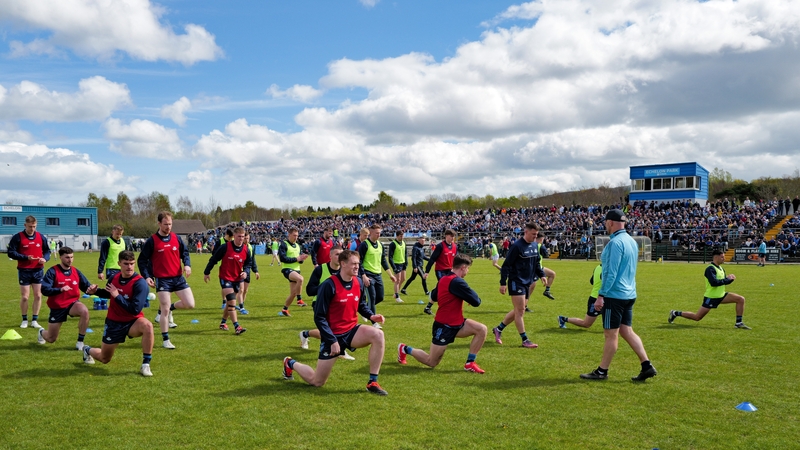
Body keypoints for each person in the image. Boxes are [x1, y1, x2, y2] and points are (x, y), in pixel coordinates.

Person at [282, 250, 388, 396]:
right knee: (317, 381)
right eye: (353, 264)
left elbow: (361, 304)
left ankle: (372, 382)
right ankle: (290, 363)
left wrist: (372, 316)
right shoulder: (329, 285)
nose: (357, 267)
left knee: (378, 335)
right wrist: (332, 340)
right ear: (343, 264)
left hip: (351, 331)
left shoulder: (358, 282)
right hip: (332, 335)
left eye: (358, 263)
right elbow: (319, 317)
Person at [580, 209, 656, 382]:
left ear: (610, 222)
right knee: (627, 331)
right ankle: (647, 366)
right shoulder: (631, 241)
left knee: (611, 335)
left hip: (614, 296)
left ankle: (601, 371)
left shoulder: (615, 244)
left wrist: (601, 296)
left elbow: (610, 273)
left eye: (606, 222)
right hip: (629, 293)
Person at [397, 253, 487, 374]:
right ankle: (405, 349)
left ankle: (470, 363)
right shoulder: (457, 282)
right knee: (431, 362)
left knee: (481, 329)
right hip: (444, 326)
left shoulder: (444, 278)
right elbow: (477, 301)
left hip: (457, 323)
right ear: (463, 267)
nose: (468, 271)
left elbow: (434, 295)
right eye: (468, 268)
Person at [83, 250, 154, 377]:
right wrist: (96, 292)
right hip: (114, 322)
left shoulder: (140, 283)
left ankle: (146, 365)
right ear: (119, 263)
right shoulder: (114, 277)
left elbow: (135, 310)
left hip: (133, 321)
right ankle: (87, 350)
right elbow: (109, 292)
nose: (129, 267)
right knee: (104, 358)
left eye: (132, 263)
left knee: (148, 326)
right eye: (126, 264)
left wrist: (117, 296)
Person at [137, 211, 195, 349]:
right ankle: (165, 340)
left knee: (190, 304)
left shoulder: (176, 238)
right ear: (159, 224)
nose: (168, 227)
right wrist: (147, 277)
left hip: (178, 278)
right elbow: (142, 261)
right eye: (165, 224)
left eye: (170, 224)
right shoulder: (152, 241)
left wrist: (187, 264)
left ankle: (172, 308)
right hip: (163, 280)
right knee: (164, 309)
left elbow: (185, 253)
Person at [492, 223, 544, 349]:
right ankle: (525, 339)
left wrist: (542, 275)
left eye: (536, 235)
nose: (535, 237)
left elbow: (536, 263)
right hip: (516, 281)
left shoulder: (534, 245)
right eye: (533, 234)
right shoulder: (516, 246)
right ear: (526, 232)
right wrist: (503, 283)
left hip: (527, 282)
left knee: (519, 309)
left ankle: (498, 329)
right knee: (520, 311)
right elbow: (506, 266)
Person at [298, 245, 355, 360]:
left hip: (339, 304)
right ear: (330, 256)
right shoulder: (320, 269)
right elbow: (309, 290)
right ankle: (335, 352)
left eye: (341, 254)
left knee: (332, 330)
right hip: (320, 304)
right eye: (337, 254)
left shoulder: (344, 271)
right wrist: (325, 288)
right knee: (330, 329)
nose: (340, 257)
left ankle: (305, 334)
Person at [668, 249, 750, 329]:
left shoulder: (721, 268)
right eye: (722, 257)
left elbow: (723, 282)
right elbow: (714, 283)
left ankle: (738, 323)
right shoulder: (710, 269)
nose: (724, 259)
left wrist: (730, 279)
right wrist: (727, 279)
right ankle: (675, 313)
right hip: (712, 297)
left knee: (740, 299)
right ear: (716, 257)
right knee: (697, 317)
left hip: (721, 295)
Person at [37, 247, 98, 350]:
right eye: (67, 257)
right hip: (57, 306)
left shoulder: (75, 271)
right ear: (60, 257)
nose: (70, 260)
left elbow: (86, 287)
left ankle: (80, 342)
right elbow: (44, 290)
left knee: (84, 311)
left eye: (72, 257)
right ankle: (41, 332)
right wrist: (60, 290)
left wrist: (91, 289)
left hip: (72, 303)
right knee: (51, 339)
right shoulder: (52, 271)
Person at [203, 226, 251, 335]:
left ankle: (223, 322)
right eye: (239, 236)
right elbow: (214, 259)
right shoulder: (225, 247)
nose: (241, 239)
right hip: (225, 278)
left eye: (243, 237)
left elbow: (248, 263)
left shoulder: (246, 249)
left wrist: (246, 272)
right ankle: (237, 326)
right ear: (234, 236)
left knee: (230, 303)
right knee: (232, 302)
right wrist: (207, 272)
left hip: (237, 279)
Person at [7, 215, 50, 329]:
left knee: (38, 295)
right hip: (24, 270)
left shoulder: (41, 237)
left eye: (34, 226)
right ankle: (24, 319)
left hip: (38, 270)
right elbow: (11, 252)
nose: (32, 229)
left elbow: (47, 251)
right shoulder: (18, 237)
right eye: (30, 226)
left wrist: (45, 258)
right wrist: (26, 257)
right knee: (25, 297)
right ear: (25, 225)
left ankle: (34, 320)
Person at [358, 224, 396, 327]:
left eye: (380, 233)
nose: (379, 235)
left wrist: (390, 275)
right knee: (372, 298)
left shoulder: (381, 245)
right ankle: (374, 322)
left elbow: (383, 260)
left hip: (378, 275)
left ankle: (364, 309)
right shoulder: (364, 245)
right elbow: (359, 261)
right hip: (368, 274)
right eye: (377, 233)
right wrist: (363, 275)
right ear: (370, 232)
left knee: (380, 297)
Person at [422, 229, 458, 315]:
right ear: (446, 236)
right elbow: (432, 259)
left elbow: (456, 259)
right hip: (440, 270)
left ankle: (428, 306)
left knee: (441, 288)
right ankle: (445, 307)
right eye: (451, 236)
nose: (452, 238)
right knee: (446, 288)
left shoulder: (455, 246)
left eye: (453, 236)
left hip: (450, 271)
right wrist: (427, 271)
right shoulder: (440, 246)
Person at [558, 263, 602, 329]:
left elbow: (591, 281)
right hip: (596, 298)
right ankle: (563, 319)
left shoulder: (598, 267)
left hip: (607, 298)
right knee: (586, 324)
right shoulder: (607, 270)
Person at [278, 228, 310, 316]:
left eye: (297, 235)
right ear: (289, 235)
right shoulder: (284, 244)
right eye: (294, 235)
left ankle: (284, 309)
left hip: (296, 270)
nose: (296, 237)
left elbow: (299, 261)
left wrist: (302, 259)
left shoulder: (298, 246)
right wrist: (297, 259)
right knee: (300, 279)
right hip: (287, 269)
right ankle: (299, 300)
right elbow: (282, 258)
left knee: (293, 293)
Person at [237, 231, 259, 314]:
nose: (246, 240)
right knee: (241, 290)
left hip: (247, 271)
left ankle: (241, 305)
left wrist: (256, 271)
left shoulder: (250, 247)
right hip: (239, 271)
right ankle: (241, 307)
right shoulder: (239, 247)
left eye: (248, 238)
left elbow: (252, 260)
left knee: (245, 290)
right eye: (245, 238)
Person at [532, 234, 556, 300]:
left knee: (552, 274)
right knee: (531, 287)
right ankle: (524, 305)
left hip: (538, 267)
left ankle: (547, 291)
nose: (542, 241)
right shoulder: (540, 246)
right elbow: (546, 254)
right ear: (540, 239)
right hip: (535, 269)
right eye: (542, 239)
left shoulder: (531, 245)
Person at [388, 230, 407, 303]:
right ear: (397, 236)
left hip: (403, 263)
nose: (402, 237)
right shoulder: (393, 244)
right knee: (397, 280)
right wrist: (393, 267)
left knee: (403, 279)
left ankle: (396, 293)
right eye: (400, 236)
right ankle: (397, 296)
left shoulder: (404, 243)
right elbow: (390, 257)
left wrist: (406, 262)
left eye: (403, 236)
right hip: (396, 264)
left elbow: (405, 253)